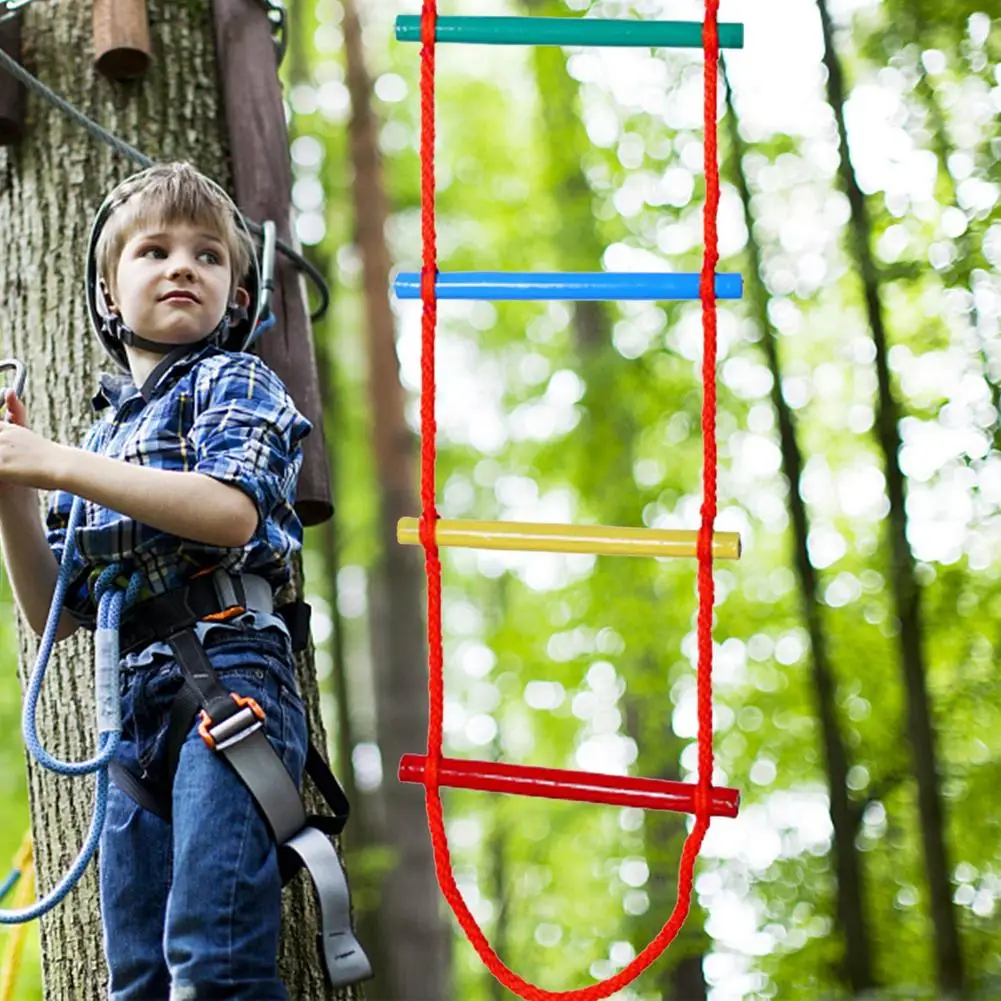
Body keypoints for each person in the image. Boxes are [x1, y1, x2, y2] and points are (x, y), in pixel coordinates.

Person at [0, 161, 313, 1000]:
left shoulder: (233, 380)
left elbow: (229, 512)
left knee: (213, 959)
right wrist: (15, 493)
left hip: (228, 672)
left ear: (236, 301)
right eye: (155, 251)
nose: (183, 267)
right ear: (109, 295)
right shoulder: (98, 443)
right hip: (131, 709)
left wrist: (52, 462)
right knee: (137, 977)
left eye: (208, 256)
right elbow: (51, 611)